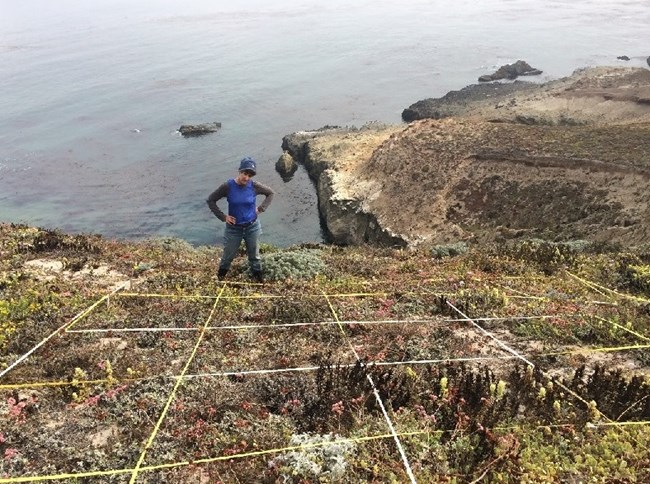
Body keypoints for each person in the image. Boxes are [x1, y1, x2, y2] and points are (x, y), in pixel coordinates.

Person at [207, 157, 274, 282]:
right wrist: (223, 217)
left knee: (254, 256)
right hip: (234, 229)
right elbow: (211, 200)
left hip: (252, 226)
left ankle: (259, 281)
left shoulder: (254, 186)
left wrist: (260, 209)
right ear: (239, 171)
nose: (246, 178)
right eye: (244, 173)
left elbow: (270, 193)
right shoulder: (228, 186)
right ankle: (220, 279)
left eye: (250, 175)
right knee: (228, 256)